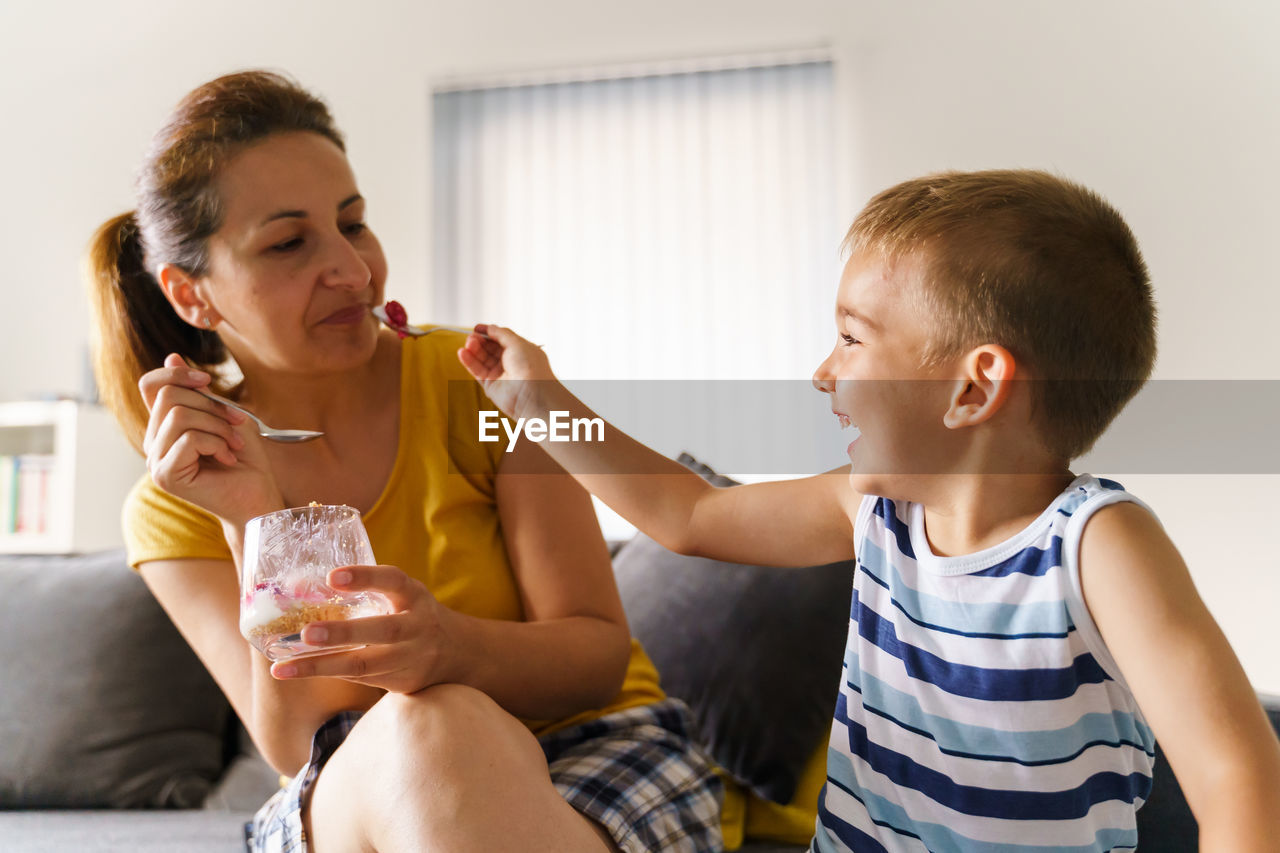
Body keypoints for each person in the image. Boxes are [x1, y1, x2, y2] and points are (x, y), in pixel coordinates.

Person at [458, 169, 1280, 852]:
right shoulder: (872, 512)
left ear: (973, 387)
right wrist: (536, 400)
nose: (825, 372)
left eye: (853, 339)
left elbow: (1238, 776)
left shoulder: (1098, 545)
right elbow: (688, 514)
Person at [85, 69, 724, 853]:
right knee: (431, 726)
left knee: (443, 719)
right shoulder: (177, 498)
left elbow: (595, 653)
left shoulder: (476, 386)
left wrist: (451, 648)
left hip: (587, 748)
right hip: (359, 781)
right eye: (290, 242)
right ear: (192, 296)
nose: (354, 272)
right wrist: (258, 520)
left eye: (353, 224)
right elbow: (300, 747)